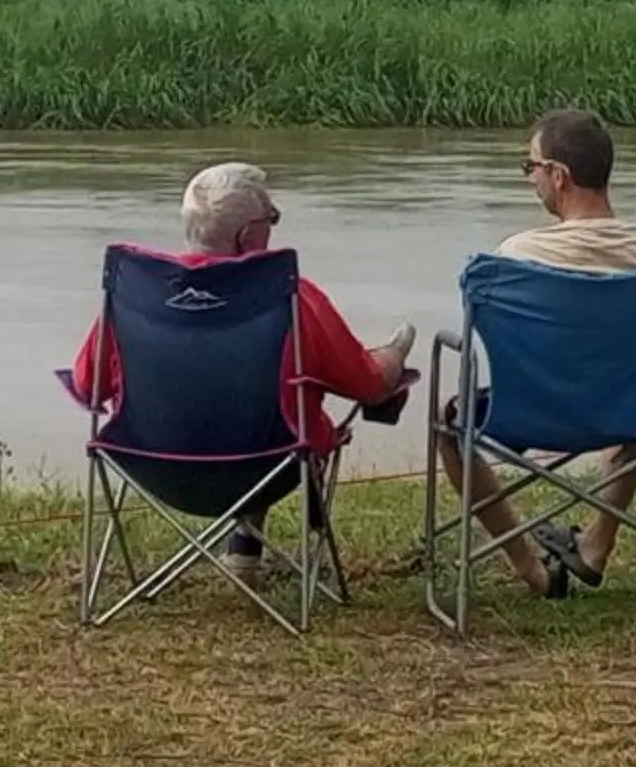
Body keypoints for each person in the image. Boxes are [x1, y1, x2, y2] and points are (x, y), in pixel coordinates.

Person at [70, 161, 413, 582]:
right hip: (269, 465)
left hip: (153, 467)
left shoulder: (134, 298)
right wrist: (397, 351)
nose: (274, 227)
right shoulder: (290, 299)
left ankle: (244, 549)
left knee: (252, 399)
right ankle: (246, 545)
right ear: (248, 235)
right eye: (272, 218)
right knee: (275, 409)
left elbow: (88, 388)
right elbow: (370, 385)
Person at [440, 107, 636, 598]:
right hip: (634, 412)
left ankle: (530, 569)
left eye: (530, 167)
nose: (530, 179)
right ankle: (597, 544)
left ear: (559, 175)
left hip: (527, 414)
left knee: (449, 425)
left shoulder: (514, 257)